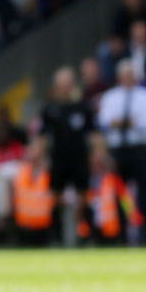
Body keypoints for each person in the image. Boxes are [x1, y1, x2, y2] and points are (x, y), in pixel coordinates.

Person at [96, 58, 146, 224]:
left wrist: (119, 122)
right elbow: (104, 121)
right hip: (118, 150)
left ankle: (145, 229)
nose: (128, 78)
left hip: (140, 148)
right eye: (124, 75)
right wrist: (129, 122)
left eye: (130, 75)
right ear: (119, 77)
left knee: (144, 191)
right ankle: (122, 231)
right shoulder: (110, 96)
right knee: (120, 191)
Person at [35, 67, 93, 201]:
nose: (65, 89)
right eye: (62, 85)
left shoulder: (82, 106)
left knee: (83, 194)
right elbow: (43, 135)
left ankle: (82, 220)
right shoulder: (49, 108)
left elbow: (93, 133)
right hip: (58, 157)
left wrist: (96, 154)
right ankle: (58, 220)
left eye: (68, 85)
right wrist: (41, 156)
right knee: (55, 194)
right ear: (56, 86)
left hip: (79, 157)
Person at [10, 140, 55, 247]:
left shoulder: (51, 172)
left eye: (35, 149)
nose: (31, 152)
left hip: (43, 227)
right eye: (31, 149)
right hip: (23, 226)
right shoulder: (20, 169)